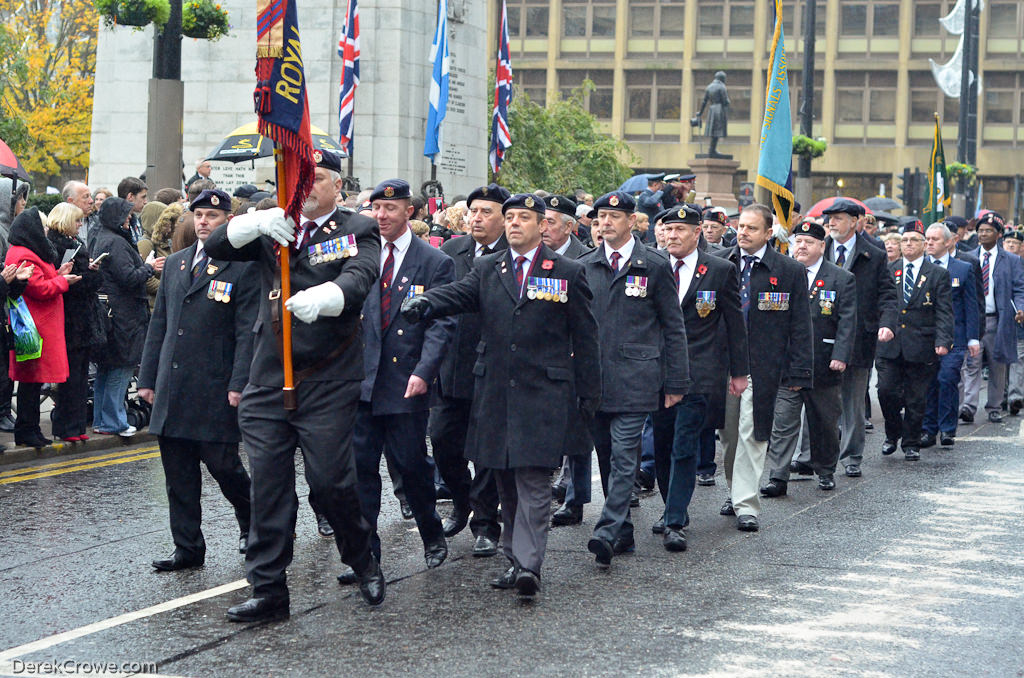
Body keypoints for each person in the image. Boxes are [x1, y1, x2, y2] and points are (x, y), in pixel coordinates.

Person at [204, 151, 386, 621]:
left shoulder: (356, 227)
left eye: (316, 178)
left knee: (330, 482)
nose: (306, 187)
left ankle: (361, 556)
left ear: (337, 187)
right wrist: (255, 222)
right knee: (268, 485)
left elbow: (361, 275)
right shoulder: (275, 223)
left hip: (326, 373)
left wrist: (329, 296)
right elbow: (218, 246)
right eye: (298, 179)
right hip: (268, 374)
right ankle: (268, 590)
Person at [401, 192, 601, 599]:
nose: (513, 224)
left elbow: (587, 335)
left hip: (544, 392)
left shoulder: (567, 271)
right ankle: (514, 557)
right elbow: (459, 294)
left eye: (523, 218)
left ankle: (530, 564)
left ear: (542, 225)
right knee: (505, 479)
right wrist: (425, 303)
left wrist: (589, 394)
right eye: (509, 217)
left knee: (532, 479)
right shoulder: (488, 266)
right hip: (495, 390)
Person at [138, 188, 257, 572]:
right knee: (178, 476)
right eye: (199, 215)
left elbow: (245, 332)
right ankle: (187, 548)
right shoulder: (175, 263)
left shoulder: (241, 266)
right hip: (174, 387)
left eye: (213, 216)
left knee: (225, 468)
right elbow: (160, 326)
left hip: (214, 387)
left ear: (228, 222)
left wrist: (239, 383)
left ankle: (253, 524)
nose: (204, 222)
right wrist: (148, 378)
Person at [346, 178, 457, 576]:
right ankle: (365, 554)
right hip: (360, 383)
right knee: (360, 473)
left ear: (409, 211)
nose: (381, 216)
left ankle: (431, 532)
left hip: (405, 382)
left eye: (390, 209)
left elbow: (441, 326)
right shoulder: (359, 255)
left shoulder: (434, 262)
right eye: (376, 209)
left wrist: (425, 372)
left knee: (411, 467)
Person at [579, 191, 689, 565]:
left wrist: (676, 382)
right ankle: (623, 531)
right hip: (594, 379)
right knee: (606, 455)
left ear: (631, 221)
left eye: (613, 216)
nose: (605, 223)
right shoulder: (585, 263)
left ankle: (607, 530)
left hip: (637, 377)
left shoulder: (654, 265)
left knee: (625, 456)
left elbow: (673, 327)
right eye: (600, 218)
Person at [652, 205, 747, 551]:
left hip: (700, 370)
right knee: (662, 443)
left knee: (684, 444)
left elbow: (735, 323)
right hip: (657, 370)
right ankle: (669, 506)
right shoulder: (652, 264)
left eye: (681, 230)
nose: (673, 236)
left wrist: (739, 371)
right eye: (668, 229)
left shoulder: (720, 270)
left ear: (696, 233)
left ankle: (676, 519)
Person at [714, 203, 813, 531]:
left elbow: (800, 325)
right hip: (724, 365)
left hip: (762, 366)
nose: (743, 232)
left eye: (752, 228)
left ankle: (746, 504)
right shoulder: (719, 263)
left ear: (769, 233)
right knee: (728, 435)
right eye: (741, 226)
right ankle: (734, 490)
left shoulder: (789, 271)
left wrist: (800, 370)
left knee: (752, 434)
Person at [428, 184, 508, 556]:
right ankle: (462, 503)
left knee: (489, 451)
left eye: (486, 212)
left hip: (495, 368)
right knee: (445, 444)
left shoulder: (515, 254)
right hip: (452, 365)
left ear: (505, 219)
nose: (476, 217)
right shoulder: (452, 250)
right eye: (473, 210)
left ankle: (486, 523)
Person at [762, 220, 857, 496]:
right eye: (797, 241)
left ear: (821, 246)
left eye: (808, 242)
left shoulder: (840, 278)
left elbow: (847, 322)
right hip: (787, 364)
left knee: (824, 422)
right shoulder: (780, 273)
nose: (801, 246)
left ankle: (826, 469)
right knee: (783, 422)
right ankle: (778, 476)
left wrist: (841, 355)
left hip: (822, 362)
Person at [822, 198, 897, 478]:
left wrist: (887, 324)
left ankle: (851, 455)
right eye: (829, 218)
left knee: (852, 400)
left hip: (858, 336)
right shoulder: (820, 247)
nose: (831, 223)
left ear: (856, 222)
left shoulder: (874, 254)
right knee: (818, 400)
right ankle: (810, 455)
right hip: (822, 334)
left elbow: (888, 294)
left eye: (838, 218)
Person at [876, 223, 954, 461]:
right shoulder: (890, 270)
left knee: (916, 397)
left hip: (921, 344)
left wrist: (943, 340)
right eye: (905, 240)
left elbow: (944, 311)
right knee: (886, 391)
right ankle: (892, 433)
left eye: (914, 240)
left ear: (924, 244)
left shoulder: (937, 274)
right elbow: (880, 303)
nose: (908, 244)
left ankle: (911, 442)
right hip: (890, 344)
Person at [5, 208, 81, 447]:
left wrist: (58, 273)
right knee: (31, 380)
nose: (46, 231)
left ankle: (31, 429)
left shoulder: (27, 251)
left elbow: (41, 280)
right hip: (35, 326)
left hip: (38, 324)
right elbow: (38, 289)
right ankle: (27, 430)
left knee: (34, 381)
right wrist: (62, 281)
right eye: (43, 227)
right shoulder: (25, 254)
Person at [91, 197, 164, 437]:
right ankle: (115, 421)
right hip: (125, 316)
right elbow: (129, 278)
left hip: (112, 314)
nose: (129, 218)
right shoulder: (116, 242)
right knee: (120, 369)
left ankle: (102, 420)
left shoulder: (101, 236)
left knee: (107, 369)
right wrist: (150, 267)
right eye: (125, 214)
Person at [46, 203, 104, 442]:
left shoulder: (57, 245)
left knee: (74, 375)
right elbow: (83, 285)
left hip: (71, 318)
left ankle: (72, 425)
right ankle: (72, 426)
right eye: (78, 221)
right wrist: (93, 272)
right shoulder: (68, 247)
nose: (81, 225)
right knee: (74, 376)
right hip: (75, 319)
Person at [959, 212, 1024, 423]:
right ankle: (968, 406)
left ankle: (994, 406)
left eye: (988, 231)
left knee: (998, 365)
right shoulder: (967, 257)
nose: (983, 234)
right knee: (971, 363)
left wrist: (1020, 309)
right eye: (980, 231)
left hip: (999, 319)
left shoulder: (1011, 260)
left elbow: (1019, 289)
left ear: (998, 235)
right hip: (973, 320)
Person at [920, 223, 980, 447]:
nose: (929, 243)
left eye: (935, 239)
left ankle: (946, 429)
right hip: (926, 336)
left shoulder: (963, 269)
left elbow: (971, 305)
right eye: (927, 239)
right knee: (928, 382)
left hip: (955, 336)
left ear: (949, 242)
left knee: (947, 379)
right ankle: (928, 429)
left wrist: (973, 338)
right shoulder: (920, 267)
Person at [138, 203, 181, 309]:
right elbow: (145, 279)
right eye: (167, 223)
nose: (170, 227)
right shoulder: (146, 244)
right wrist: (171, 288)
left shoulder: (165, 243)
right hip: (153, 306)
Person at [61, 181, 95, 245]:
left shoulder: (98, 223)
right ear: (70, 201)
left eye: (90, 196)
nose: (91, 201)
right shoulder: (59, 227)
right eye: (86, 197)